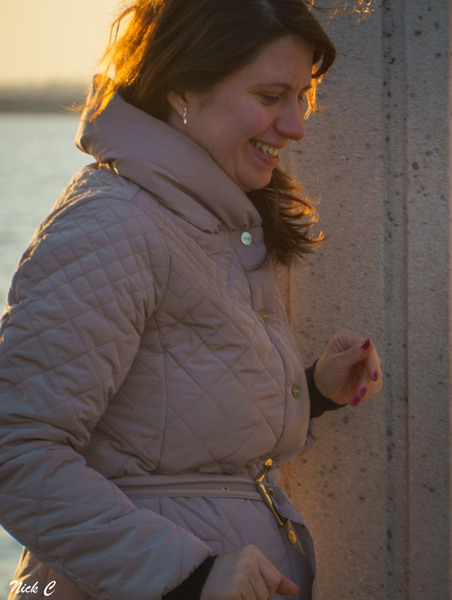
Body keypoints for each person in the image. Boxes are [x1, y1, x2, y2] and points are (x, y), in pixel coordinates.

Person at [0, 1, 382, 599]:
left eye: (301, 98)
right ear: (182, 90)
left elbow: (171, 424)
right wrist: (185, 575)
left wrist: (311, 391)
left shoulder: (209, 219)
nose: (296, 127)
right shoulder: (112, 224)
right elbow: (15, 451)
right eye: (270, 96)